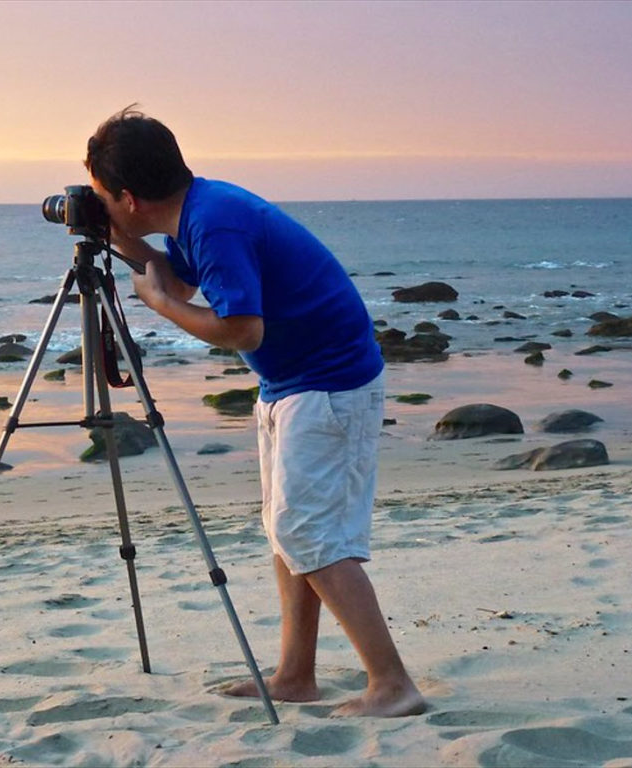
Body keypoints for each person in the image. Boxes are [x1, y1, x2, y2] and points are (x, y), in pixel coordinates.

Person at [84, 107, 425, 718]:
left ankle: (391, 684)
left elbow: (241, 329)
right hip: (293, 384)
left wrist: (158, 306)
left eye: (103, 196)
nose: (99, 202)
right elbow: (184, 284)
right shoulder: (200, 212)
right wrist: (125, 246)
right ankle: (296, 676)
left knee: (310, 534)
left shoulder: (216, 225)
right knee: (287, 530)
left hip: (328, 386)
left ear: (129, 196)